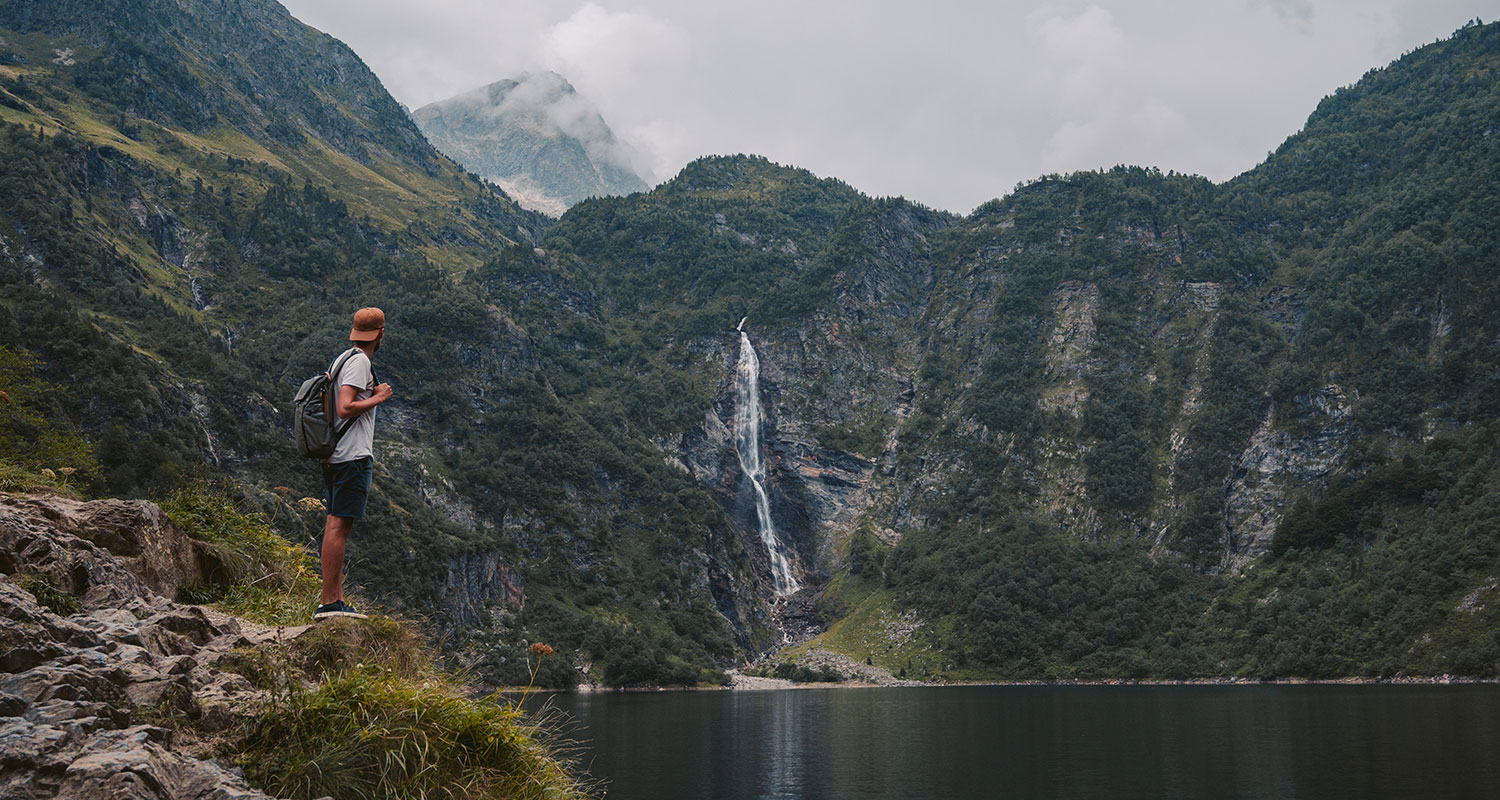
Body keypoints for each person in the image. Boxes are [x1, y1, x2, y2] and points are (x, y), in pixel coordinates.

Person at [315, 307, 393, 620]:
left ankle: (331, 600)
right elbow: (345, 407)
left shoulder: (343, 358)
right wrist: (379, 397)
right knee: (339, 527)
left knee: (334, 524)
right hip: (351, 456)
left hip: (335, 453)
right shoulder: (360, 362)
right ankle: (331, 603)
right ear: (381, 333)